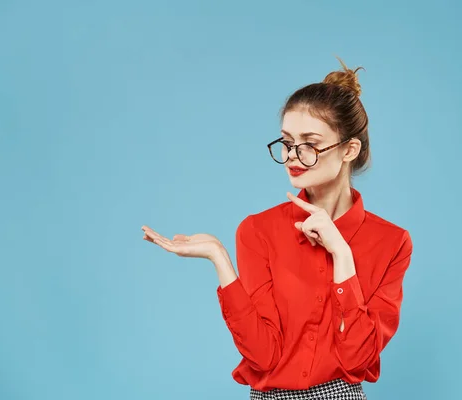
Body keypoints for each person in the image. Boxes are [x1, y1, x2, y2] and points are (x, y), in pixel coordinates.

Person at [142, 57, 413, 400]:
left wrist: (341, 254)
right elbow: (263, 355)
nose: (293, 157)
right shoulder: (258, 231)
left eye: (310, 144)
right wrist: (220, 259)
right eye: (287, 142)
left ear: (349, 149)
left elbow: (356, 358)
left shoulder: (391, 242)